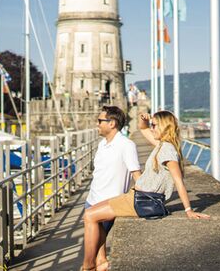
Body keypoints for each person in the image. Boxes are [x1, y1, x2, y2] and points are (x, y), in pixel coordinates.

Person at [81, 110, 210, 271]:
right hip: (136, 197)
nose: (152, 128)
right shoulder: (162, 145)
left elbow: (178, 180)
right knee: (94, 213)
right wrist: (145, 120)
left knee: (90, 216)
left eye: (155, 125)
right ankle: (101, 262)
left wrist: (189, 210)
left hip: (141, 200)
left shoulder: (168, 150)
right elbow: (143, 129)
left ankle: (88, 266)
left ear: (164, 127)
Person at [85, 106, 140, 271]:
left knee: (92, 253)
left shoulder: (126, 145)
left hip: (109, 203)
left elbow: (136, 173)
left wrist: (145, 198)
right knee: (100, 255)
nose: (97, 124)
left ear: (112, 123)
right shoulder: (102, 144)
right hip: (92, 200)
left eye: (100, 121)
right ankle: (98, 264)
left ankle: (86, 267)